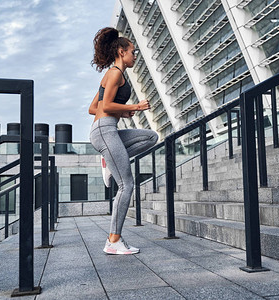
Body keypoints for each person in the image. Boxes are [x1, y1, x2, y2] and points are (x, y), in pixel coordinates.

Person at [89, 27, 158, 255]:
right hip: (105, 131)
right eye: (132, 51)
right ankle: (113, 241)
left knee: (150, 137)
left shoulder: (112, 75)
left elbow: (94, 108)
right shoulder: (115, 73)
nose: (135, 56)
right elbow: (105, 106)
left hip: (108, 129)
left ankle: (110, 162)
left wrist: (122, 113)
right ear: (121, 51)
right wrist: (134, 107)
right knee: (127, 184)